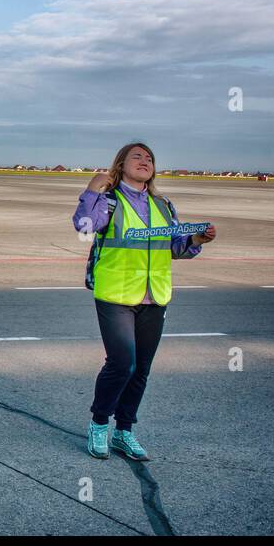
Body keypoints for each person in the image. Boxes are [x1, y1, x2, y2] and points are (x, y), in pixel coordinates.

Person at [74, 142, 215, 461]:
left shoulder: (164, 205)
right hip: (116, 294)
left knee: (142, 368)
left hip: (155, 295)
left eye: (149, 158)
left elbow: (175, 248)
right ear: (121, 164)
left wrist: (196, 240)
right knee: (122, 362)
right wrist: (91, 190)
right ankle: (99, 423)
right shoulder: (109, 201)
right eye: (137, 156)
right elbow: (84, 227)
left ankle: (124, 431)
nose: (144, 161)